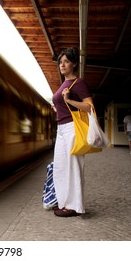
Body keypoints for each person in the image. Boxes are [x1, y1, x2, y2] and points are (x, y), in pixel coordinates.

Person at [51, 47, 93, 217]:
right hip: (61, 129)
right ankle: (65, 203)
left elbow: (89, 107)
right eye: (61, 62)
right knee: (61, 168)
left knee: (74, 167)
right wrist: (58, 107)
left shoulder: (79, 82)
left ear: (74, 64)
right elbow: (65, 107)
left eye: (66, 61)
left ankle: (75, 207)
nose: (62, 65)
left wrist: (68, 100)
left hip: (72, 129)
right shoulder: (64, 84)